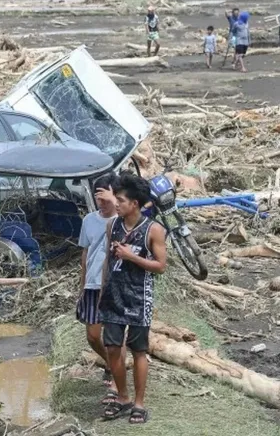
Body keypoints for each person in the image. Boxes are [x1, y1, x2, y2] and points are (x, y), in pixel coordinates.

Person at [99, 174, 167, 425]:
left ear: (135, 204)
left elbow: (160, 266)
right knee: (113, 348)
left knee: (139, 350)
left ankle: (139, 403)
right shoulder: (112, 226)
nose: (116, 204)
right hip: (113, 296)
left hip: (140, 298)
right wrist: (102, 292)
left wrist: (132, 257)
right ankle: (123, 397)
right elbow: (108, 261)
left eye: (121, 200)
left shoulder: (154, 230)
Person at [76, 174, 122, 405]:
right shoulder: (89, 221)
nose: (102, 204)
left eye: (106, 198)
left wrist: (114, 204)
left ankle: (116, 378)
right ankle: (111, 364)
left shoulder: (122, 221)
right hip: (93, 284)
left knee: (115, 338)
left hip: (115, 287)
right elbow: (86, 254)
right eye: (99, 199)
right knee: (93, 336)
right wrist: (83, 285)